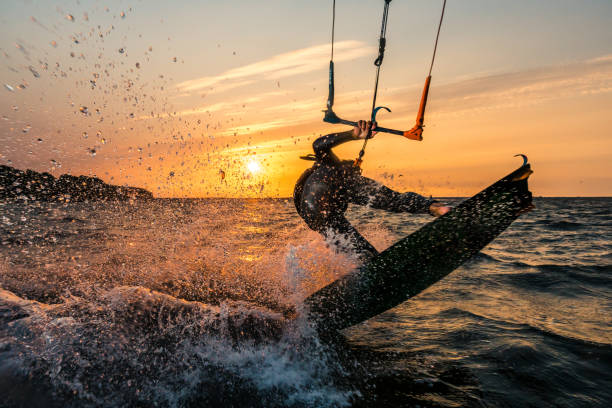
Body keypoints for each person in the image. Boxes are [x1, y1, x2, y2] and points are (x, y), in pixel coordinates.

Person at [294, 120, 450, 263]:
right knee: (396, 200)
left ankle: (372, 270)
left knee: (364, 256)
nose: (358, 171)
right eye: (355, 170)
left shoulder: (328, 175)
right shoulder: (330, 167)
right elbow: (318, 145)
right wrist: (353, 134)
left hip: (317, 215)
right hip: (319, 210)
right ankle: (437, 208)